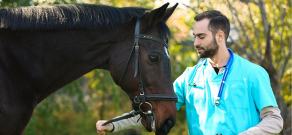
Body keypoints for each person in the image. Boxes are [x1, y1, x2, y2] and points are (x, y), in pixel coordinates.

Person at [96, 10, 283, 135]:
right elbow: (154, 108)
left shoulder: (253, 73)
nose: (195, 44)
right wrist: (113, 124)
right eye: (195, 37)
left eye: (201, 37)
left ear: (220, 36)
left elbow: (274, 120)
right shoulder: (189, 77)